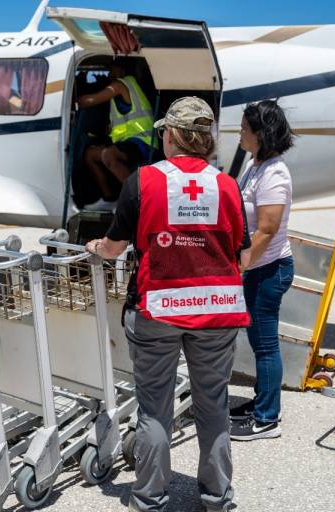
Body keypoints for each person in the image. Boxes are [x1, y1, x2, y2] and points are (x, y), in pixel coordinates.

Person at [85, 97, 251, 512]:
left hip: (157, 311)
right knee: (212, 405)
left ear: (174, 135)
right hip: (216, 311)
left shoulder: (142, 181)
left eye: (163, 132)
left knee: (154, 408)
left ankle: (150, 498)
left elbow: (114, 246)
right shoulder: (228, 185)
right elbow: (242, 255)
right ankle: (217, 498)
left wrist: (96, 247)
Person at [228, 100, 296, 441]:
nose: (240, 132)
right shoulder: (257, 165)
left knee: (266, 345)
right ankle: (260, 403)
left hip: (271, 269)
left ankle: (268, 419)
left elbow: (267, 230)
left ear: (261, 133)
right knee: (258, 341)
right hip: (259, 268)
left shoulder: (274, 173)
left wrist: (240, 266)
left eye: (244, 128)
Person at [78, 60, 154, 211]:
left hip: (142, 143)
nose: (110, 74)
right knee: (90, 155)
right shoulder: (124, 89)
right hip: (127, 143)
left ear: (122, 71)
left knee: (109, 155)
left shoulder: (120, 84)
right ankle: (109, 199)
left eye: (113, 69)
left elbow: (91, 100)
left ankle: (137, 201)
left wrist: (77, 99)